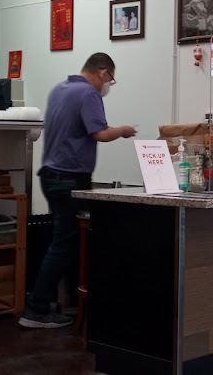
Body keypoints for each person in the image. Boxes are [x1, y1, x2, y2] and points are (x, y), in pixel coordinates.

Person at [19, 53, 137, 329]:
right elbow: (100, 133)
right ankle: (36, 309)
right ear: (102, 72)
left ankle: (55, 301)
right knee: (63, 245)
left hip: (50, 176)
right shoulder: (88, 93)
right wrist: (123, 130)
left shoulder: (59, 89)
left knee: (62, 241)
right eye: (110, 80)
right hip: (69, 179)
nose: (108, 86)